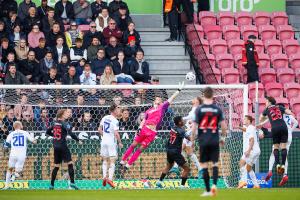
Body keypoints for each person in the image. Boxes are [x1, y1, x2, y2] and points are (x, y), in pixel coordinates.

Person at [120, 82, 185, 171]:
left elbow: (171, 98)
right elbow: (143, 120)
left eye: (159, 99)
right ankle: (123, 161)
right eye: (156, 98)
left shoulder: (162, 107)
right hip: (144, 129)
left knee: (140, 149)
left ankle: (128, 165)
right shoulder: (148, 110)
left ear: (161, 101)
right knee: (133, 144)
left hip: (152, 133)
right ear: (154, 101)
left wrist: (178, 90)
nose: (157, 99)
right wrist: (139, 128)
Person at [192, 87, 227, 197]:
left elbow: (194, 128)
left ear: (203, 96)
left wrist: (192, 141)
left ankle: (207, 190)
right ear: (212, 96)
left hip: (203, 140)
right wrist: (223, 138)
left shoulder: (199, 109)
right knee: (215, 163)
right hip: (214, 140)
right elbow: (224, 126)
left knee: (204, 165)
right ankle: (214, 186)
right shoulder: (217, 109)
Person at [262, 103, 298, 186]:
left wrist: (260, 124)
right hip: (288, 135)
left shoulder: (278, 115)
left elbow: (267, 119)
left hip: (280, 133)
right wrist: (291, 131)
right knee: (285, 155)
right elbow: (296, 123)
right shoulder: (290, 116)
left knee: (273, 153)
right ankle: (285, 174)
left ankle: (270, 171)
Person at [257, 97, 293, 178]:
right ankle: (283, 165)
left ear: (269, 102)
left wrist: (265, 118)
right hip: (284, 127)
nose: (265, 103)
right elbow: (289, 112)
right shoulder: (279, 107)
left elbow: (260, 118)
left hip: (275, 128)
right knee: (284, 147)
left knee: (276, 147)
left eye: (266, 101)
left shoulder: (267, 109)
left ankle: (277, 164)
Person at [46, 109, 82, 190]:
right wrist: (78, 140)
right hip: (63, 146)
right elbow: (71, 133)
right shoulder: (65, 124)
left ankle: (51, 185)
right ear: (62, 115)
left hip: (55, 146)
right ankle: (72, 183)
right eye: (66, 113)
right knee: (70, 164)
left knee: (56, 166)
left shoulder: (54, 123)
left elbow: (47, 132)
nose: (67, 114)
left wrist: (55, 136)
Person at [156, 116, 191, 189]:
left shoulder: (173, 128)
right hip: (175, 152)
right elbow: (189, 138)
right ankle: (182, 186)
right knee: (187, 168)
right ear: (179, 122)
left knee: (169, 166)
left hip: (169, 150)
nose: (183, 121)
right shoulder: (180, 130)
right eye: (182, 120)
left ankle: (159, 182)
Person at [170, 97, 202, 174]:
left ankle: (200, 169)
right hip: (189, 131)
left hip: (192, 131)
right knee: (186, 150)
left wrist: (181, 119)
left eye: (194, 99)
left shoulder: (197, 109)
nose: (192, 99)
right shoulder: (194, 108)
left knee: (185, 149)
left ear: (197, 101)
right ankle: (176, 167)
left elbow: (191, 118)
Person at [3, 121, 37, 189]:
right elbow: (33, 141)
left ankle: (6, 186)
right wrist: (35, 140)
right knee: (18, 171)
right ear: (20, 126)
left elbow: (6, 146)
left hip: (13, 154)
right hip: (21, 155)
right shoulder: (24, 132)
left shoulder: (11, 134)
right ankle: (13, 176)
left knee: (9, 169)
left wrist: (6, 150)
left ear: (14, 127)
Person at [98, 104, 123, 188]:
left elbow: (99, 129)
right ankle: (110, 179)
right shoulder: (115, 120)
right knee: (112, 161)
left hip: (103, 141)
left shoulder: (104, 117)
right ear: (114, 110)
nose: (119, 111)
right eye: (118, 109)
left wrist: (104, 135)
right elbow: (116, 133)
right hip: (111, 142)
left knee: (104, 160)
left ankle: (104, 177)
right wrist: (120, 142)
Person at [237, 115, 261, 189]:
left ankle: (243, 181)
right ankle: (256, 185)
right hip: (257, 151)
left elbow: (252, 140)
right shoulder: (250, 128)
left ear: (249, 121)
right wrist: (240, 127)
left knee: (241, 162)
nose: (243, 120)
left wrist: (248, 150)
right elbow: (246, 130)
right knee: (248, 168)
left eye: (245, 119)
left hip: (252, 150)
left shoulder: (250, 128)